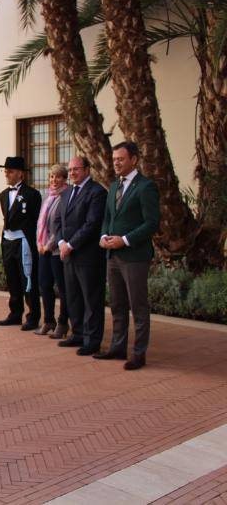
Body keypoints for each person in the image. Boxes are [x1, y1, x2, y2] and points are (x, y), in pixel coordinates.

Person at [97, 142, 160, 370]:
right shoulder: (114, 187)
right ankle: (117, 347)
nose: (116, 163)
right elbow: (107, 217)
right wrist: (104, 235)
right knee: (117, 304)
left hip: (134, 256)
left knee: (138, 306)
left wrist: (124, 239)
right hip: (112, 256)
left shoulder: (146, 187)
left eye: (120, 159)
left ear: (134, 159)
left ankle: (138, 353)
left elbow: (152, 223)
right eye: (114, 159)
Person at [53, 156, 108, 355]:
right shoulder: (67, 193)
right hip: (68, 254)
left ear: (87, 170)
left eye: (77, 169)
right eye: (71, 169)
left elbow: (92, 224)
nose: (73, 172)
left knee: (91, 299)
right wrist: (60, 243)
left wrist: (71, 244)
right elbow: (58, 221)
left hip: (88, 255)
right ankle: (77, 334)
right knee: (73, 296)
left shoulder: (97, 192)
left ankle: (92, 340)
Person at [0, 156, 42, 331]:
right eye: (5, 171)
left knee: (28, 279)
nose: (7, 174)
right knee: (12, 278)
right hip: (8, 241)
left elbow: (35, 220)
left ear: (20, 174)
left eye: (11, 171)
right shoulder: (3, 195)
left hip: (24, 241)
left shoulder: (32, 194)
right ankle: (15, 314)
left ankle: (33, 316)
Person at [35, 164, 69, 336]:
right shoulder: (47, 196)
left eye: (58, 177)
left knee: (62, 288)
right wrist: (40, 244)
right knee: (44, 285)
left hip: (56, 250)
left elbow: (62, 226)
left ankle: (63, 324)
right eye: (51, 177)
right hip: (44, 250)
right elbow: (41, 224)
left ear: (64, 179)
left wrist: (50, 244)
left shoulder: (66, 196)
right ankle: (49, 321)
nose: (54, 180)